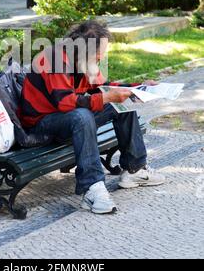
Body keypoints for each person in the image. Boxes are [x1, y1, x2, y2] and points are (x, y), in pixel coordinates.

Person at [19, 21, 165, 215]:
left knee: (120, 105)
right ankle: (91, 188)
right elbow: (64, 102)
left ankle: (134, 170)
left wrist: (137, 87)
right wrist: (105, 97)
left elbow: (102, 87)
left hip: (65, 118)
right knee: (82, 116)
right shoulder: (54, 58)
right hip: (41, 125)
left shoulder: (82, 60)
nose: (102, 56)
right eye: (99, 54)